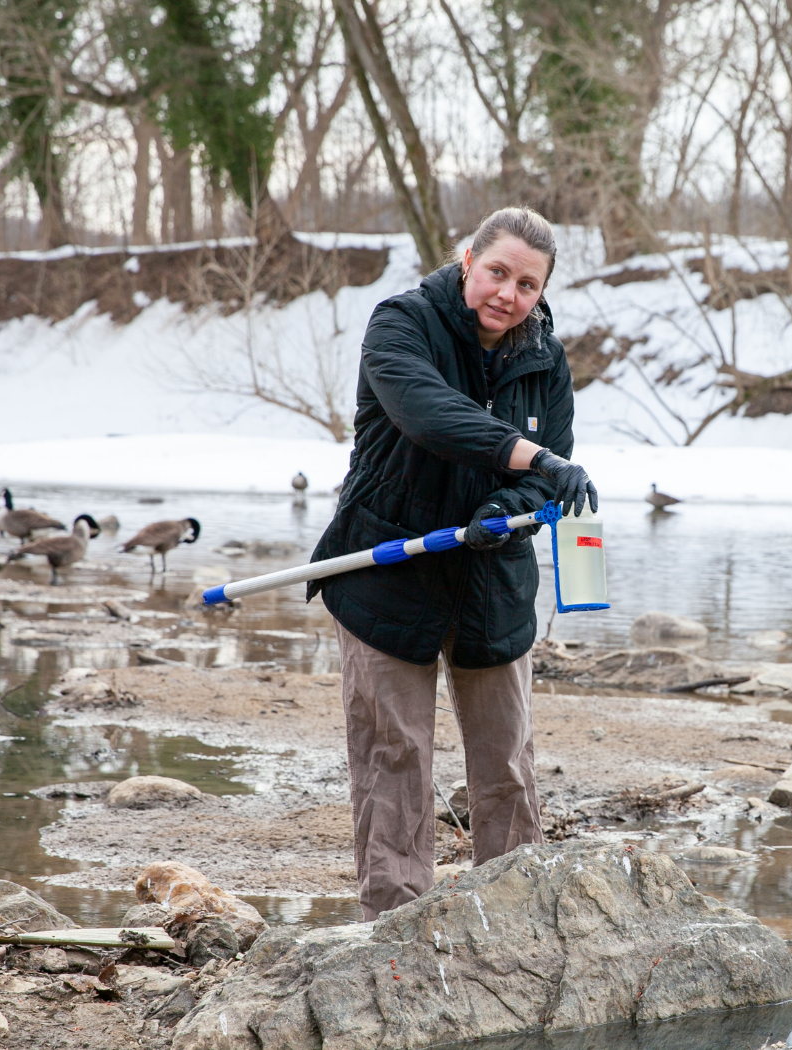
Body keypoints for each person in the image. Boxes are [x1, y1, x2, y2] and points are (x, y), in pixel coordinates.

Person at [309, 207, 597, 921]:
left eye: (528, 284)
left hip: (492, 584)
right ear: (467, 259)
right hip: (386, 573)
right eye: (497, 271)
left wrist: (512, 508)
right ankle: (396, 929)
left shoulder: (546, 359)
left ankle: (515, 917)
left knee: (505, 764)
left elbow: (546, 478)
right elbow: (430, 414)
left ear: (541, 292)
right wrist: (535, 459)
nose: (509, 293)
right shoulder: (400, 323)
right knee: (394, 760)